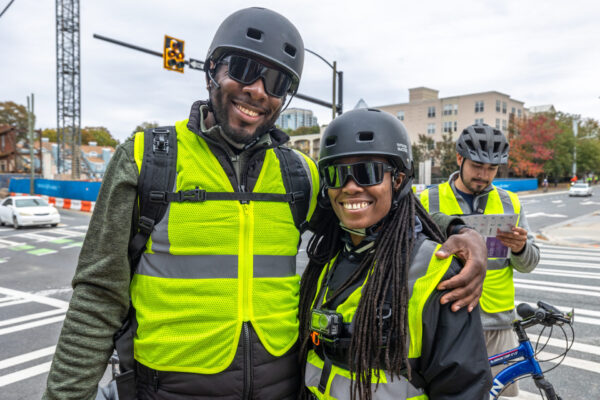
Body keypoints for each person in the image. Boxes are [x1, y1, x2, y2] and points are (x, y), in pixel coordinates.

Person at [44, 8, 487, 400]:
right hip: (170, 389)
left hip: (282, 387)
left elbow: (376, 211)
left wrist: (457, 232)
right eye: (243, 68)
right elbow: (97, 298)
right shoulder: (147, 159)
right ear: (212, 70)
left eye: (275, 82)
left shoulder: (301, 174)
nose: (257, 90)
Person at [299, 109, 492, 400]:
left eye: (368, 172)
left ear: (399, 179)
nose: (350, 187)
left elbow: (463, 389)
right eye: (335, 174)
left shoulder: (435, 271)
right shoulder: (326, 256)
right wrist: (458, 228)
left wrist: (465, 233)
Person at [419, 123, 540, 397]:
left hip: (498, 323)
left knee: (499, 394)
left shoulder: (511, 203)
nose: (484, 176)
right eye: (477, 166)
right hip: (444, 320)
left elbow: (529, 263)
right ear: (459, 159)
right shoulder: (428, 200)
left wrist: (520, 248)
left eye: (492, 169)